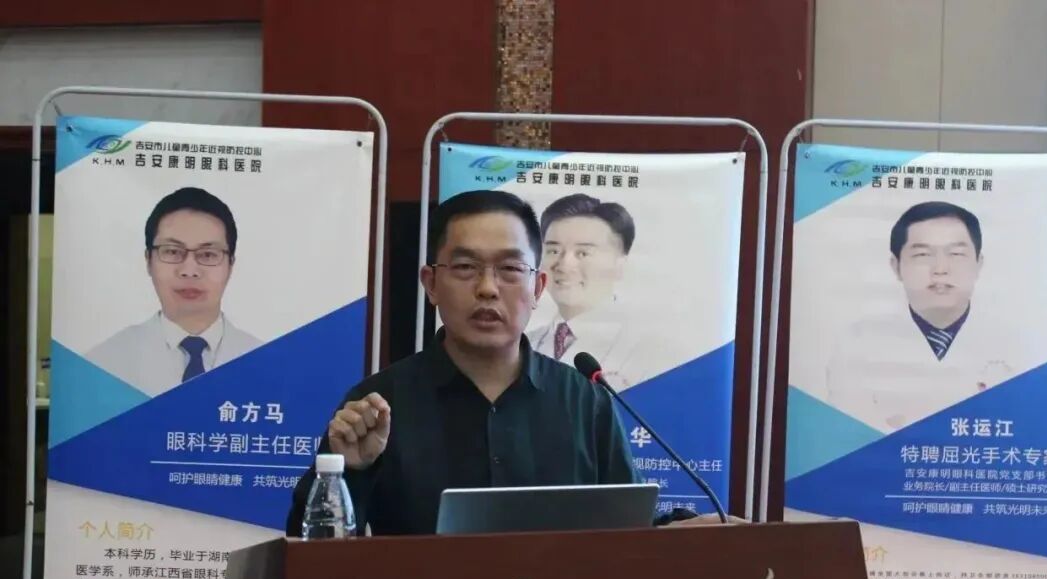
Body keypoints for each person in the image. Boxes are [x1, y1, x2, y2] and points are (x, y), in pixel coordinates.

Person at [286, 190, 705, 537]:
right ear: (431, 284)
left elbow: (628, 532)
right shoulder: (378, 404)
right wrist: (350, 471)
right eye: (466, 267)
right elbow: (310, 555)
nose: (487, 288)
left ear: (537, 287)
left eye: (509, 269)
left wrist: (685, 533)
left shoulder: (585, 402)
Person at [826, 201, 1015, 432]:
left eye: (956, 254)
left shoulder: (1016, 345)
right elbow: (848, 434)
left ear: (978, 264)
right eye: (923, 254)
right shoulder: (856, 345)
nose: (940, 269)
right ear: (896, 267)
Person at [86, 187, 261, 397]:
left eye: (208, 254)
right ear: (148, 261)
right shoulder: (101, 363)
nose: (189, 270)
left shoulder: (268, 362)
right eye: (172, 251)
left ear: (230, 265)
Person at [527, 193, 648, 390]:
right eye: (553, 251)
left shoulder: (646, 350)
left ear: (620, 265)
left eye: (583, 253)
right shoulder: (524, 342)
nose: (564, 265)